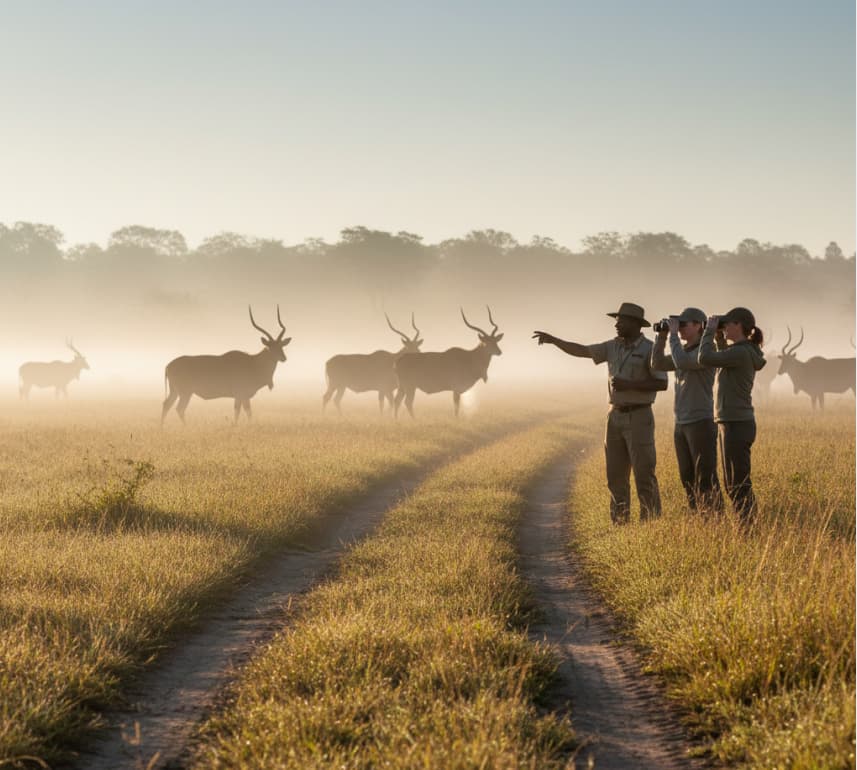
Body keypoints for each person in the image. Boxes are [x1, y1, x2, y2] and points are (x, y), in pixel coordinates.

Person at [533, 301, 668, 524]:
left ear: (635, 324)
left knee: (644, 474)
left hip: (639, 416)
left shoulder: (651, 349)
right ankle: (620, 525)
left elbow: (662, 384)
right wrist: (554, 340)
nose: (616, 325)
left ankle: (651, 526)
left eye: (621, 321)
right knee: (615, 477)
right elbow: (583, 351)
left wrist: (629, 385)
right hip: (614, 417)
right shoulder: (612, 346)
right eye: (616, 320)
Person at [651, 307, 723, 514]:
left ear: (699, 326)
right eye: (678, 324)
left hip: (700, 420)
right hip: (681, 422)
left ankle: (715, 517)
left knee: (705, 476)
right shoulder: (682, 351)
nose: (680, 328)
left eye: (684, 324)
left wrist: (672, 335)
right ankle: (697, 516)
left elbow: (681, 362)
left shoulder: (706, 353)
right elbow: (656, 363)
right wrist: (662, 337)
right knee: (687, 476)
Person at [698, 307, 766, 523]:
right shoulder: (741, 351)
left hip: (736, 423)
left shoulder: (740, 352)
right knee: (733, 482)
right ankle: (746, 526)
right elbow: (721, 358)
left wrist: (709, 331)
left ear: (739, 325)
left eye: (728, 323)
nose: (724, 327)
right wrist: (718, 338)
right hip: (733, 421)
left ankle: (749, 529)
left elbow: (705, 358)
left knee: (737, 483)